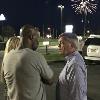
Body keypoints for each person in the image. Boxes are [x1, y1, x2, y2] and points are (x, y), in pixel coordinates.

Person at [1, 24, 54, 100]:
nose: (37, 41)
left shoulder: (7, 57)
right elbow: (50, 80)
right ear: (31, 37)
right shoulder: (36, 56)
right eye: (37, 38)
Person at [56, 33, 87, 100]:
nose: (58, 46)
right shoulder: (72, 60)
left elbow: (77, 95)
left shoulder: (75, 64)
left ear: (72, 45)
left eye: (61, 43)